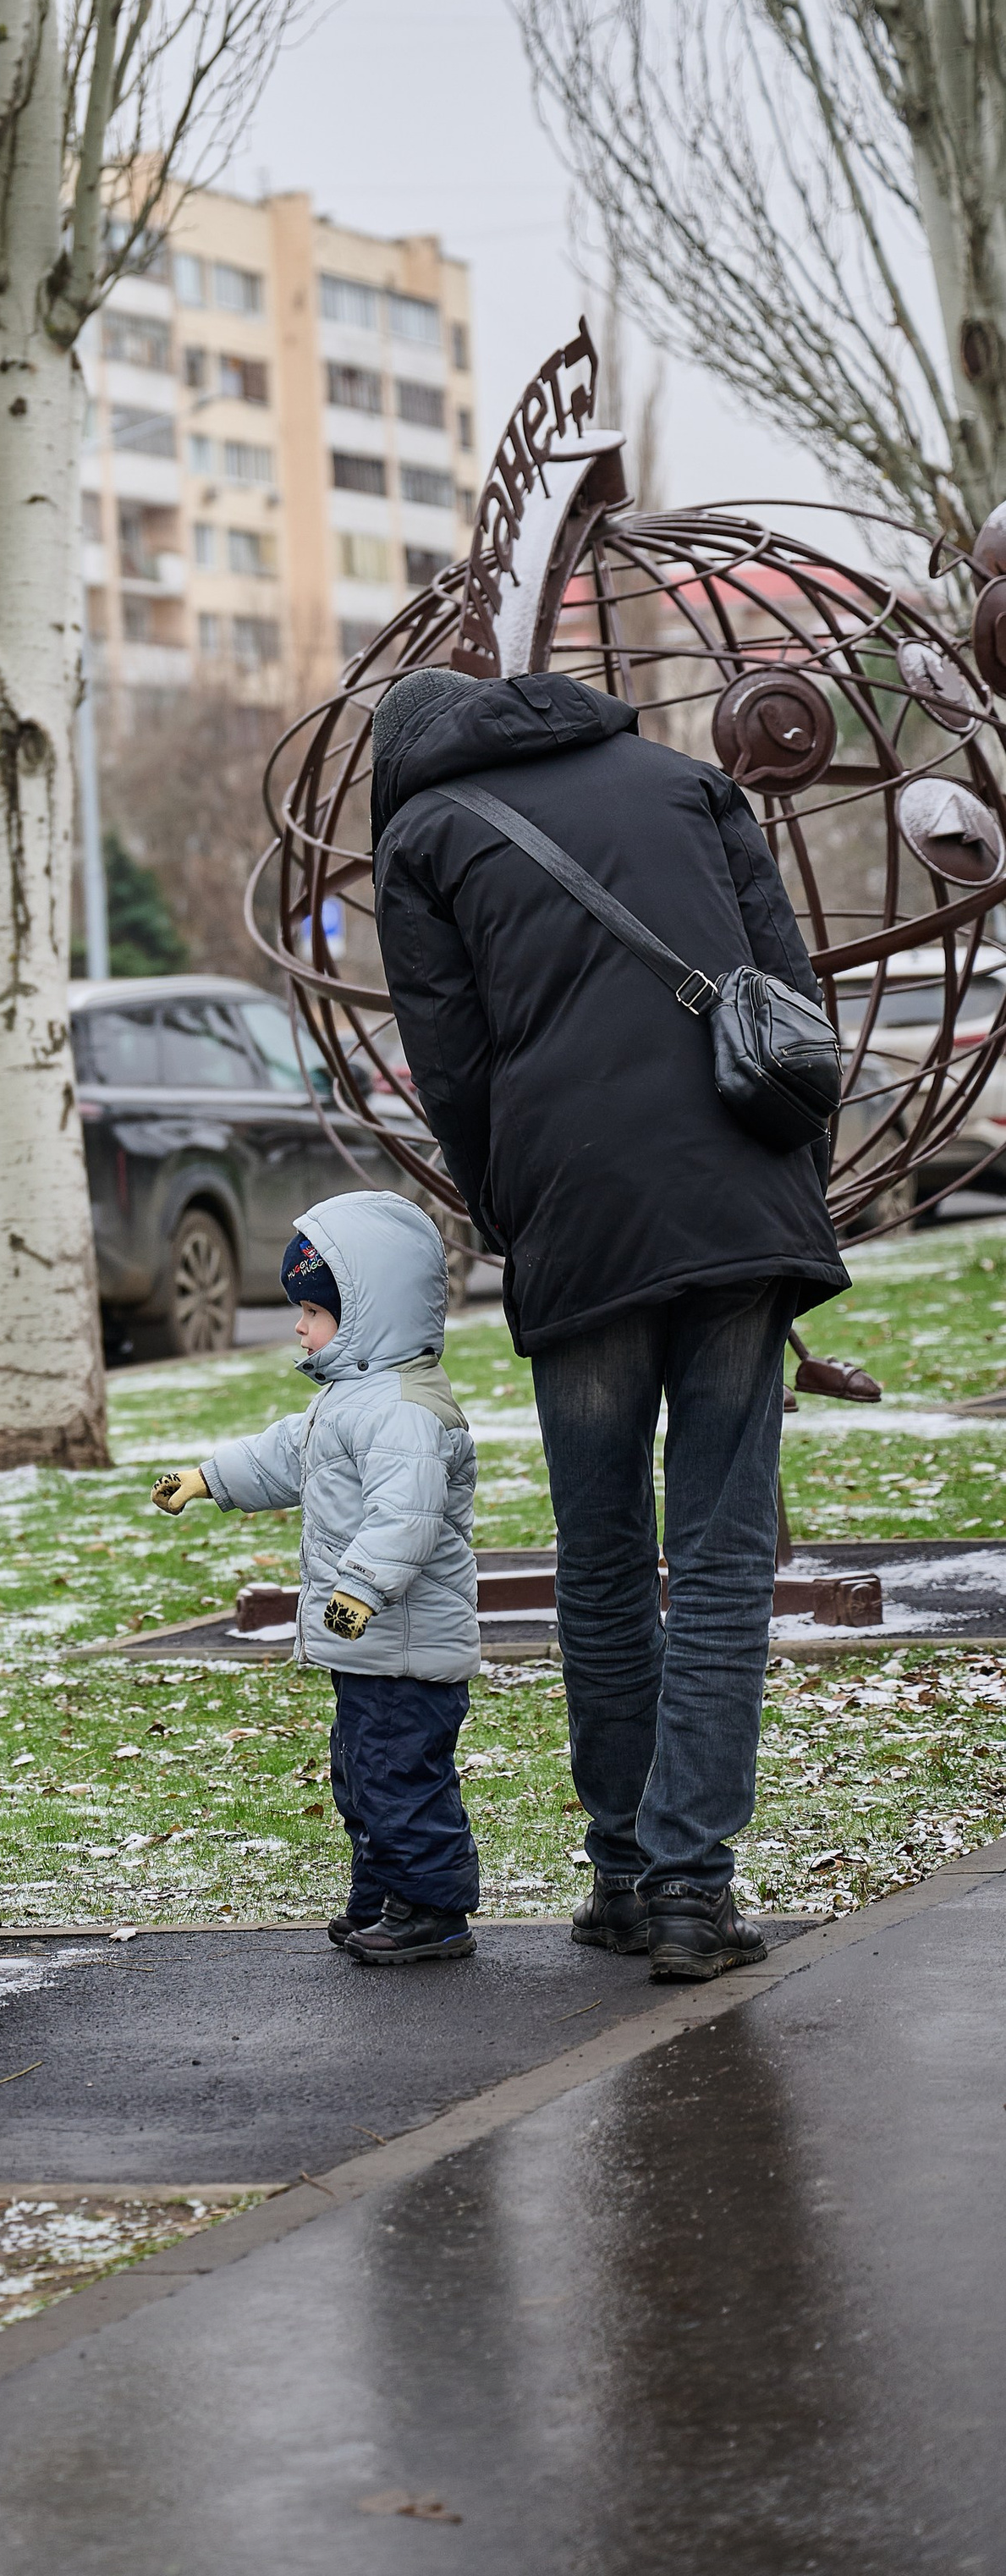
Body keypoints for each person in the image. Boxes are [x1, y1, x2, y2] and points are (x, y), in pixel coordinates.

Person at [369, 665, 847, 1984]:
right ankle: (694, 1888)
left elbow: (450, 1065)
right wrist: (789, 1178)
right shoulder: (692, 783)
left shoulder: (424, 838)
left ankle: (627, 1869)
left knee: (600, 1558)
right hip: (740, 1207)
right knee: (723, 1550)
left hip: (580, 1216)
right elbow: (791, 997)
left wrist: (515, 1206)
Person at [154, 1191, 481, 1965]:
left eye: (313, 1310)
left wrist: (358, 1590)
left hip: (402, 1645)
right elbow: (283, 1454)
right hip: (372, 1651)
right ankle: (383, 1893)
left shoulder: (406, 1411)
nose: (299, 1326)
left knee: (401, 1778)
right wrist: (209, 1476)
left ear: (370, 1314)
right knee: (363, 1776)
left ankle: (433, 1909)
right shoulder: (351, 1399)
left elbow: (407, 1517)